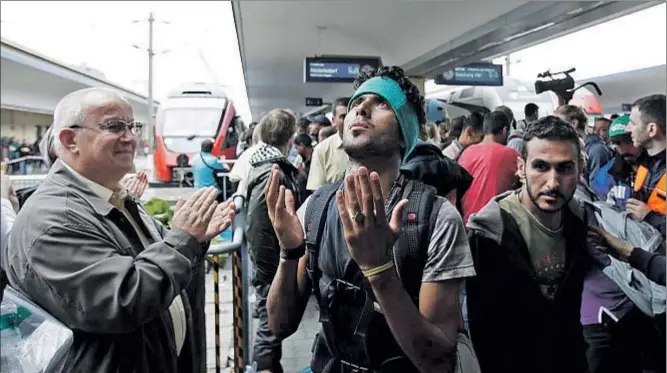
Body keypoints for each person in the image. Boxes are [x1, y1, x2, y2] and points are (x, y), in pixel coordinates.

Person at [3, 87, 235, 373]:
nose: (129, 137)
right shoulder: (53, 219)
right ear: (70, 139)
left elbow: (158, 254)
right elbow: (124, 299)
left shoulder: (111, 195)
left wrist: (195, 239)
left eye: (132, 126)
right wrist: (184, 238)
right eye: (114, 126)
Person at [265, 66, 475, 373]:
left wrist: (379, 269)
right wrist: (290, 251)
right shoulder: (315, 207)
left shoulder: (436, 218)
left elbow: (437, 362)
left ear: (406, 132)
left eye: (382, 103)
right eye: (356, 103)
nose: (361, 108)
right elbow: (279, 326)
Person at [466, 116, 590, 373]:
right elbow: (483, 331)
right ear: (521, 169)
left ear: (579, 170)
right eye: (541, 167)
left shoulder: (578, 221)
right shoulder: (488, 234)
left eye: (565, 168)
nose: (553, 183)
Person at [246, 109, 307, 373]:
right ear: (291, 138)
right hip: (270, 263)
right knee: (268, 325)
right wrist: (271, 270)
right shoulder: (272, 173)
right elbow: (260, 230)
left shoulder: (266, 166)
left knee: (270, 322)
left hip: (273, 260)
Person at [457, 110, 520, 224]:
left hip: (467, 224)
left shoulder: (466, 153)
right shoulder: (513, 155)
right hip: (496, 226)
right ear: (505, 130)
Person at [625, 94, 666, 235]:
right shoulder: (643, 164)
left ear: (652, 130)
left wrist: (650, 217)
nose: (627, 129)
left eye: (633, 123)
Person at [590, 114, 641, 209]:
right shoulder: (605, 175)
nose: (623, 149)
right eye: (617, 143)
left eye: (628, 140)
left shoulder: (658, 172)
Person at [306, 97, 351, 191]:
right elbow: (317, 192)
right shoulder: (322, 150)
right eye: (343, 116)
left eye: (352, 115)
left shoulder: (371, 144)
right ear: (334, 121)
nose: (349, 120)